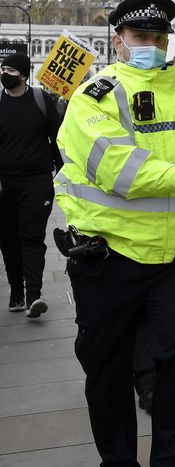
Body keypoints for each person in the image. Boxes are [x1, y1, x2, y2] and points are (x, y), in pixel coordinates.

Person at [53, 1, 175, 467]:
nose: (152, 45)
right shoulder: (95, 96)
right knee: (107, 373)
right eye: (140, 34)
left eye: (159, 35)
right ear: (117, 38)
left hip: (170, 253)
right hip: (106, 260)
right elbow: (122, 173)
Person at [0, 52, 62, 317]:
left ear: (24, 75)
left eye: (11, 71)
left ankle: (34, 294)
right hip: (4, 184)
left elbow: (58, 138)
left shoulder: (40, 99)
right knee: (8, 240)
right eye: (3, 69)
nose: (5, 74)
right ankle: (16, 290)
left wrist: (64, 172)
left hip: (37, 182)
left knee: (32, 237)